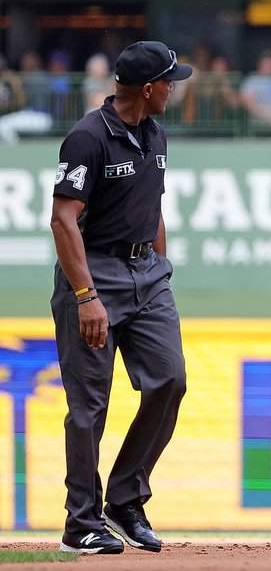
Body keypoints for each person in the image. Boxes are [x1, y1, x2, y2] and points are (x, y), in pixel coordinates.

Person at [50, 40, 189, 555]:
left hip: (146, 275)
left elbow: (152, 209)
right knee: (89, 406)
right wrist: (85, 295)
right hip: (94, 274)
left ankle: (125, 498)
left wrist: (161, 272)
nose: (174, 89)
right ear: (149, 88)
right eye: (170, 82)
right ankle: (80, 524)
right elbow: (63, 220)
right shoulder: (87, 138)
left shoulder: (156, 135)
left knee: (170, 379)